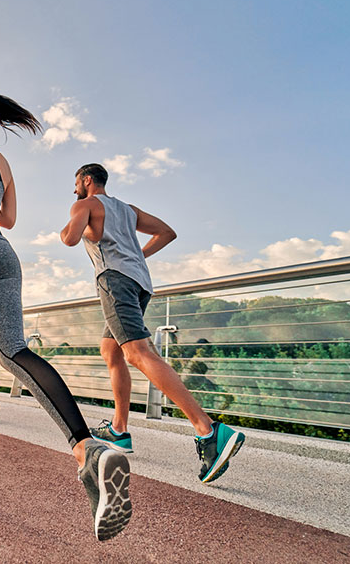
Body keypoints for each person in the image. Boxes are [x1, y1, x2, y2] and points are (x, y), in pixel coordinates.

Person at [0, 93, 132, 542]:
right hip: (1, 251)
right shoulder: (5, 164)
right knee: (14, 350)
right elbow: (9, 218)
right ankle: (86, 448)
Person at [60, 163, 245, 483]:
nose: (73, 188)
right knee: (112, 351)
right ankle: (119, 429)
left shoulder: (85, 204)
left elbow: (69, 239)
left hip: (114, 281)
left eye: (76, 182)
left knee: (137, 353)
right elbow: (167, 232)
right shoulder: (128, 210)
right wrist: (137, 256)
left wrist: (74, 217)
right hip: (139, 282)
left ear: (87, 180)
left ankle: (209, 430)